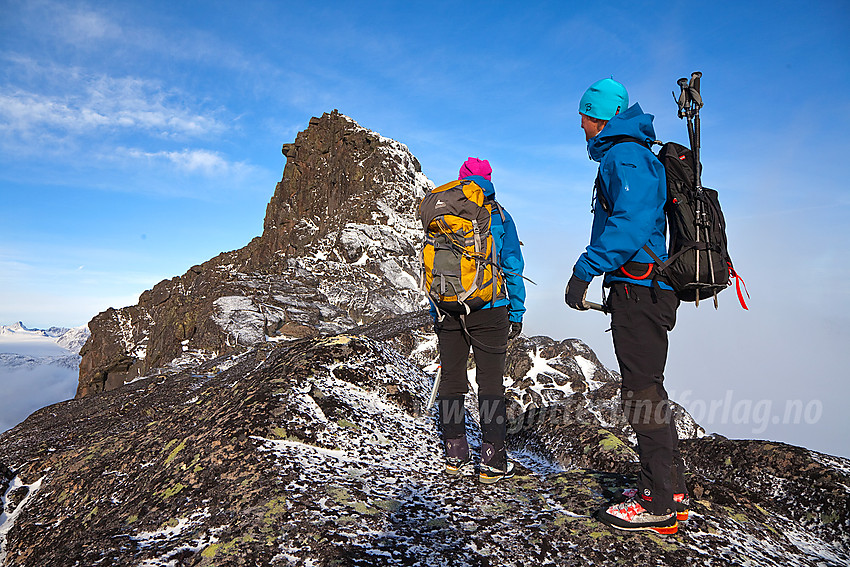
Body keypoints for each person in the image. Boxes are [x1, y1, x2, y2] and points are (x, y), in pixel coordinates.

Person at [565, 78, 688, 534]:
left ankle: (658, 502)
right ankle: (669, 487)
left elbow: (630, 224)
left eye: (583, 116)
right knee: (648, 387)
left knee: (642, 392)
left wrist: (585, 269)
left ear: (598, 115)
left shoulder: (624, 155)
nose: (580, 125)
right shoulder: (633, 153)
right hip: (647, 288)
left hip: (639, 289)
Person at [435, 157, 526, 484]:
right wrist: (516, 311)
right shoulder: (499, 215)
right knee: (490, 385)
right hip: (490, 307)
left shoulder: (442, 214)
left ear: (461, 181)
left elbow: (437, 268)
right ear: (488, 181)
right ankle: (492, 459)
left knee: (452, 381)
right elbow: (513, 265)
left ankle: (455, 452)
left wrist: (438, 310)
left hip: (449, 308)